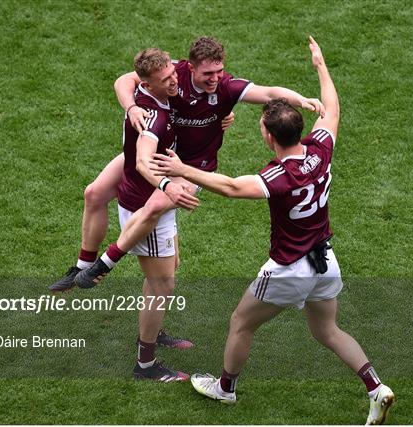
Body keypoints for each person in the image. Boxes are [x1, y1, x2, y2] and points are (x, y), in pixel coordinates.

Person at [150, 37, 395, 424]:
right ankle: (376, 387)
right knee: (328, 330)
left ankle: (225, 389)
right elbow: (331, 108)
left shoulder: (277, 177)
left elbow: (230, 187)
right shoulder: (319, 149)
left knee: (240, 322)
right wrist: (320, 65)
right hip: (325, 260)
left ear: (268, 135)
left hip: (288, 269)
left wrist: (182, 170)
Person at [50, 36, 324, 292]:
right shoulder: (172, 74)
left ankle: (105, 264)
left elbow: (268, 93)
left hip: (193, 167)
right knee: (94, 192)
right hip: (163, 151)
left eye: (219, 71)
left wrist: (300, 99)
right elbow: (125, 80)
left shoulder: (226, 87)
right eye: (208, 74)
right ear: (189, 67)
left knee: (156, 206)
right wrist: (131, 108)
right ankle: (82, 267)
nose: (215, 79)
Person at [91, 47, 196, 381]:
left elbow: (123, 80)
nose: (174, 81)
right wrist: (168, 185)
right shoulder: (154, 118)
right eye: (165, 80)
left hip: (156, 199)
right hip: (147, 202)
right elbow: (141, 162)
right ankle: (146, 364)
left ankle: (154, 330)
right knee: (162, 282)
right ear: (147, 85)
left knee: (168, 271)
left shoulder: (150, 90)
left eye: (173, 73)